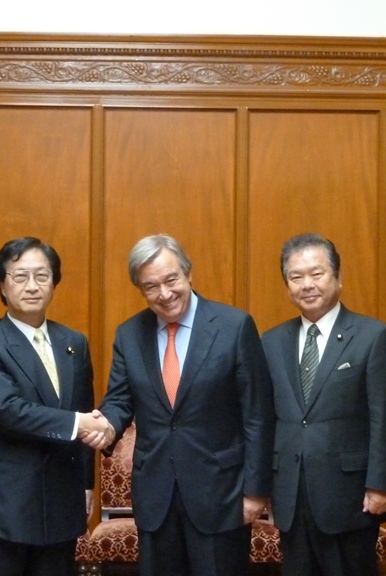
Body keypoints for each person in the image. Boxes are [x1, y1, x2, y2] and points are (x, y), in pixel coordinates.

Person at [83, 234, 274, 576]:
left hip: (221, 494)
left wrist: (256, 491)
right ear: (141, 289)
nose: (164, 293)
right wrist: (107, 426)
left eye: (171, 280)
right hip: (156, 496)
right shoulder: (130, 334)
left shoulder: (233, 326)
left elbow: (257, 414)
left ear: (188, 273)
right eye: (151, 286)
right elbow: (119, 399)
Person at [0, 237, 108, 576]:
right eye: (20, 276)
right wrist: (80, 423)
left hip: (59, 507)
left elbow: (84, 407)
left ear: (54, 283)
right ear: (2, 284)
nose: (32, 286)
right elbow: (9, 411)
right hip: (0, 510)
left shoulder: (74, 343)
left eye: (42, 276)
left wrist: (86, 484)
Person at [261, 233, 386, 576]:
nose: (307, 285)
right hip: (291, 495)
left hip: (350, 498)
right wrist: (261, 485)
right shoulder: (272, 341)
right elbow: (264, 418)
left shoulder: (373, 337)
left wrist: (382, 484)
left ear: (338, 278)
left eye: (317, 273)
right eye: (296, 277)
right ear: (287, 286)